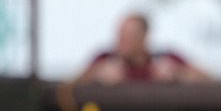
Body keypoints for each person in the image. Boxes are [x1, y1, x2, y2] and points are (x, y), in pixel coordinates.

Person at [74, 13, 211, 84]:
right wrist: (96, 74)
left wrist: (177, 73)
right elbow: (69, 86)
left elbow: (207, 78)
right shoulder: (105, 59)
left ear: (143, 36)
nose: (121, 42)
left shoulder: (165, 58)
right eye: (120, 35)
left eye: (128, 36)